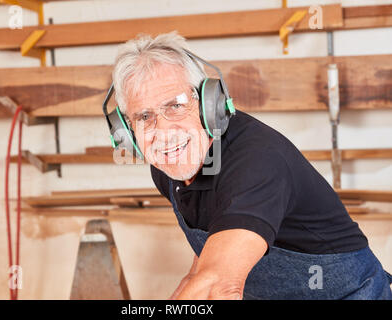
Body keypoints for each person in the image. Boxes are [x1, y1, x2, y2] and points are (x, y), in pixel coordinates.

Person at [104, 32, 392, 299]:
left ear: (210, 103)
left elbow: (221, 283)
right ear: (126, 132)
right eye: (144, 117)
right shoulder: (169, 165)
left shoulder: (257, 162)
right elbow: (211, 255)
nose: (164, 131)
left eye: (176, 105)